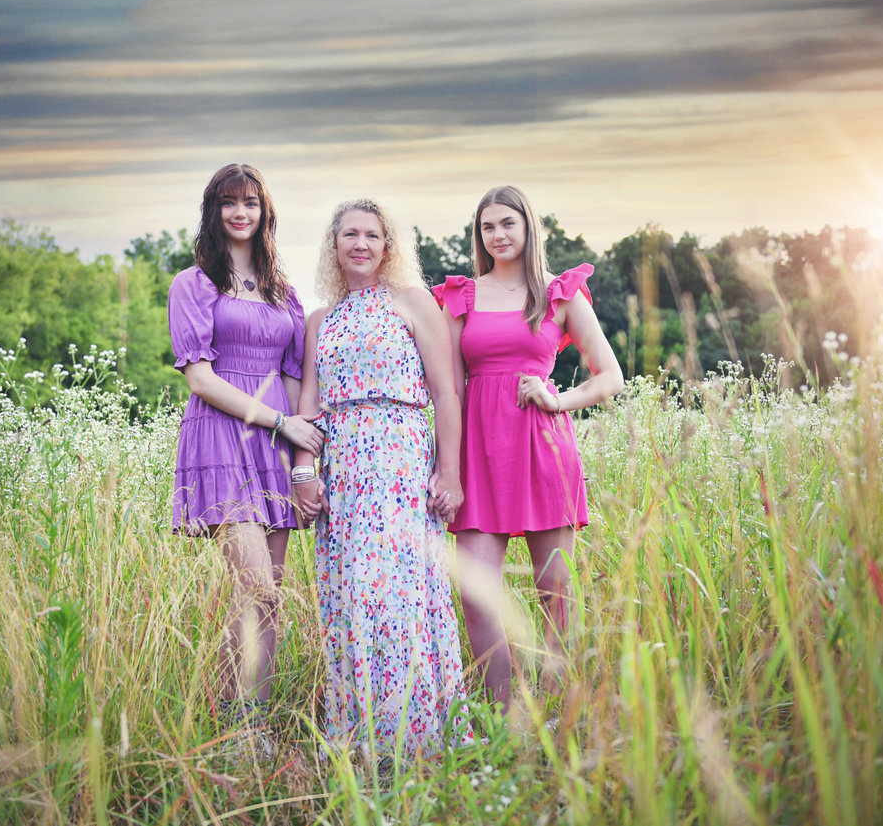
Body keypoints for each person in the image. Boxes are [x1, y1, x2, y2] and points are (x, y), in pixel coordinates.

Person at [432, 185, 624, 711]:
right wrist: (445, 466)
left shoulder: (559, 294)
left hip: (542, 450)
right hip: (477, 453)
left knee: (555, 596)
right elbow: (447, 388)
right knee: (476, 597)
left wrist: (559, 399)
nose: (497, 235)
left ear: (527, 227)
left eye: (507, 224)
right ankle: (500, 720)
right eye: (487, 227)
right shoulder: (461, 297)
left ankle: (557, 716)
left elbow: (611, 377)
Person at [292, 199, 472, 756]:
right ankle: (360, 735)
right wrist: (303, 473)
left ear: (388, 244)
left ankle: (419, 735)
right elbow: (308, 401)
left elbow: (446, 392)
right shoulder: (319, 319)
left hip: (400, 463)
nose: (360, 244)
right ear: (334, 244)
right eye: (349, 234)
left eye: (372, 234)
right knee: (351, 597)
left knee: (402, 594)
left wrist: (450, 472)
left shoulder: (414, 303)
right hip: (343, 471)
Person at [167, 163, 323, 738]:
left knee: (270, 597)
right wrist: (281, 420)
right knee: (254, 582)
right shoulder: (194, 283)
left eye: (251, 202)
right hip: (219, 433)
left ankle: (249, 727)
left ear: (265, 212)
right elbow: (201, 380)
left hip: (273, 448)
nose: (240, 212)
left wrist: (306, 447)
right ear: (214, 210)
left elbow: (291, 378)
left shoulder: (284, 293)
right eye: (229, 202)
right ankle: (233, 725)